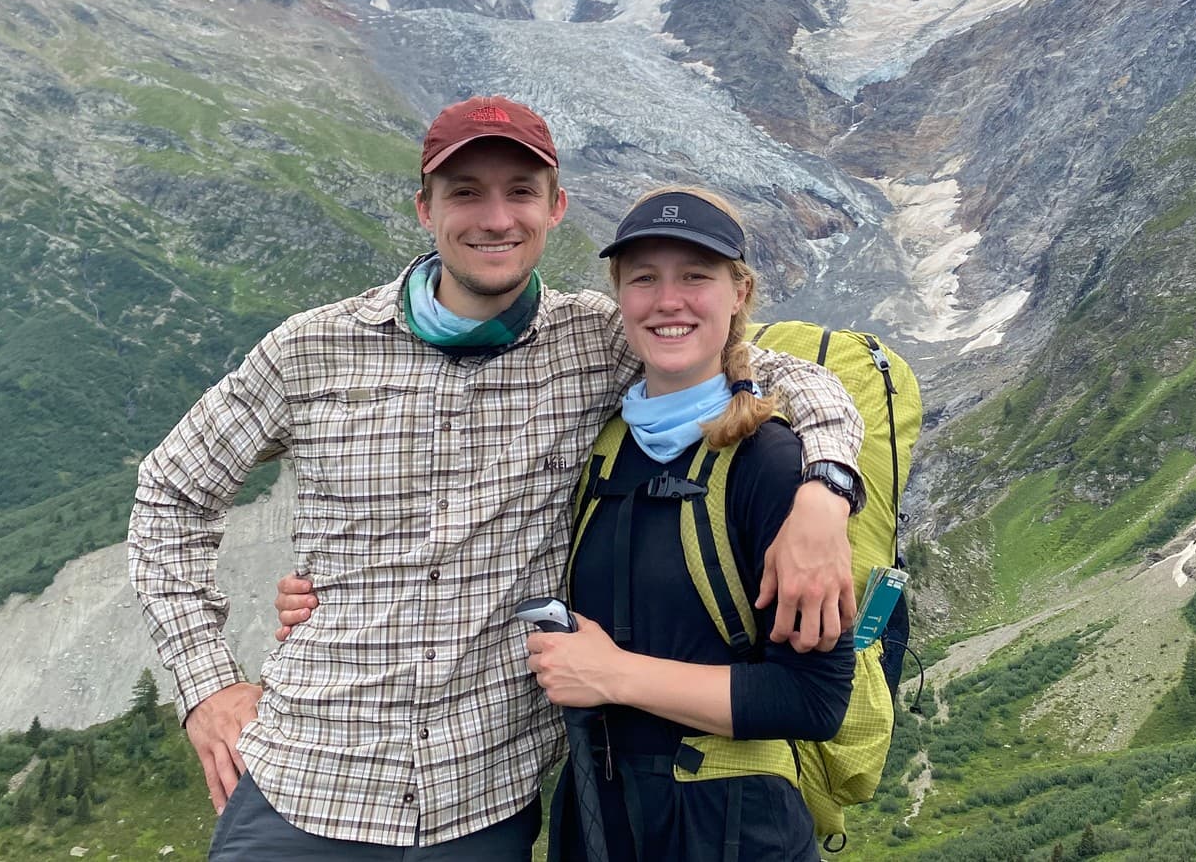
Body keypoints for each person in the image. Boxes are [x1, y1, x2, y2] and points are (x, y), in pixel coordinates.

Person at [128, 96, 865, 860]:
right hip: (305, 783)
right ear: (425, 208)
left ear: (556, 208)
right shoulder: (312, 348)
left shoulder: (595, 339)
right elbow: (169, 493)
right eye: (465, 192)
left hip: (481, 803)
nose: (495, 218)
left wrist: (827, 491)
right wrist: (207, 687)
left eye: (519, 191)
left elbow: (780, 375)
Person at [531, 186, 856, 860]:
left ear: (739, 293)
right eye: (644, 277)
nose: (668, 300)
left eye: (696, 277)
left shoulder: (770, 464)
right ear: (619, 294)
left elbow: (814, 700)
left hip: (733, 830)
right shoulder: (602, 446)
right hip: (595, 821)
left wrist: (614, 675)